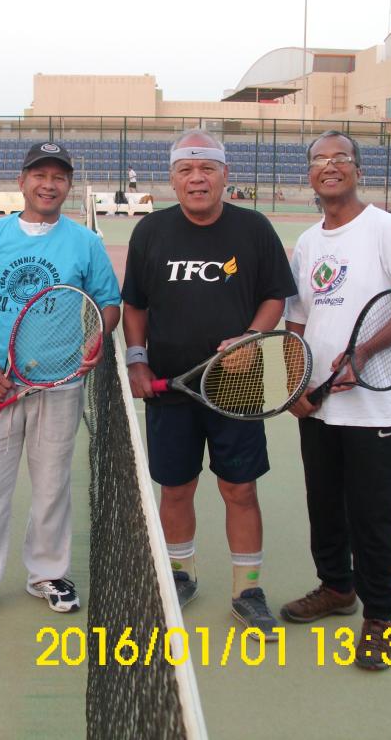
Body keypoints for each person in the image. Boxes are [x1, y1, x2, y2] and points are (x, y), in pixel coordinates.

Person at [122, 129, 296, 640]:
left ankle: (249, 592)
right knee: (175, 489)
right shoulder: (151, 232)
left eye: (207, 169)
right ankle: (181, 575)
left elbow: (274, 298)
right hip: (170, 389)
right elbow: (135, 305)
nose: (197, 178)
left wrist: (250, 338)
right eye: (185, 170)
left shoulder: (255, 229)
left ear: (225, 174)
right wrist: (136, 358)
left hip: (238, 389)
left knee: (239, 488)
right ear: (173, 179)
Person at [0, 142, 120, 625]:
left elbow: (108, 302)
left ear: (68, 185)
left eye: (58, 176)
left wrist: (99, 338)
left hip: (60, 386)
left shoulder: (85, 243)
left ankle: (47, 573)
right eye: (39, 174)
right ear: (21, 181)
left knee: (52, 486)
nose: (48, 184)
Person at [281, 130, 391, 670]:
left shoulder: (386, 229)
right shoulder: (306, 243)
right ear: (309, 175)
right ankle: (335, 589)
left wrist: (363, 353)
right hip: (319, 406)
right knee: (323, 505)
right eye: (319, 160)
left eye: (340, 158)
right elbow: (297, 321)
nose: (330, 166)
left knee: (372, 514)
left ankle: (379, 618)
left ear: (357, 169)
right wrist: (295, 385)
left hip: (375, 408)